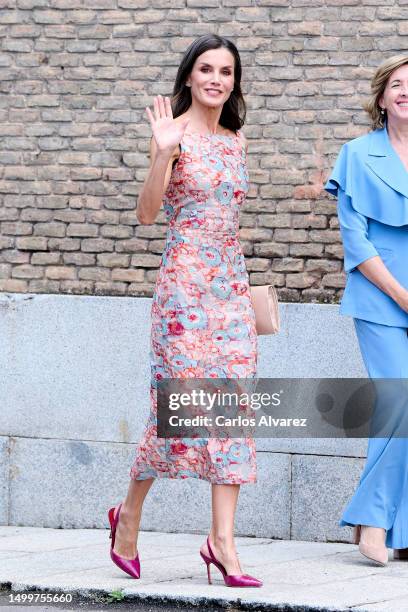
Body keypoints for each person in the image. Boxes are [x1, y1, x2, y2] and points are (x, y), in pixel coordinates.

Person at [107, 34, 262, 588]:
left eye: (226, 71)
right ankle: (127, 516)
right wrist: (164, 152)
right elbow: (149, 214)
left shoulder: (237, 141)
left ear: (233, 81)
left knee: (234, 410)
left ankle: (222, 543)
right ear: (189, 78)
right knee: (178, 413)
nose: (217, 79)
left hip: (230, 291)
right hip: (182, 289)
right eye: (206, 69)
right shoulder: (171, 133)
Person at [325, 54, 408, 566]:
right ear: (381, 98)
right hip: (381, 299)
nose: (407, 92)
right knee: (399, 400)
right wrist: (402, 295)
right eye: (398, 85)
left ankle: (401, 530)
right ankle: (372, 520)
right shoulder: (357, 154)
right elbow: (355, 241)